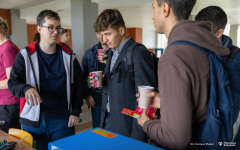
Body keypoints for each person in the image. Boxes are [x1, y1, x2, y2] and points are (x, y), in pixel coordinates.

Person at [137, 0, 230, 149]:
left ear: (165, 8)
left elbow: (177, 138)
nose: (152, 17)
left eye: (154, 8)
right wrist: (165, 102)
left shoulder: (173, 56)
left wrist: (147, 124)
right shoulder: (203, 45)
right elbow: (199, 100)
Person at [8, 10, 87, 150]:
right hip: (33, 122)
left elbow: (80, 85)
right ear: (39, 29)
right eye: (50, 27)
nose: (55, 32)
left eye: (58, 28)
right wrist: (26, 88)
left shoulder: (69, 57)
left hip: (63, 121)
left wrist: (75, 111)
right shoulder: (25, 55)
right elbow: (13, 83)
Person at [91, 9, 156, 142]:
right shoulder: (112, 52)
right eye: (102, 35)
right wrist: (104, 82)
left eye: (108, 34)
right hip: (109, 121)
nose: (104, 39)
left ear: (121, 31)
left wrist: (137, 136)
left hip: (129, 126)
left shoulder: (138, 53)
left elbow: (146, 99)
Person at [195, 5, 240, 146]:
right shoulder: (199, 55)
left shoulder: (236, 58)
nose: (199, 39)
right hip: (203, 129)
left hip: (229, 131)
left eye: (204, 34)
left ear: (219, 32)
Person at [81, 30, 110, 128]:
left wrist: (109, 60)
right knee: (98, 131)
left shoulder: (116, 52)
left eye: (105, 33)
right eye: (98, 33)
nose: (101, 36)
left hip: (113, 100)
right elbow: (81, 76)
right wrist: (87, 94)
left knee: (115, 134)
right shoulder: (90, 53)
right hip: (97, 100)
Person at [0, 17, 20, 133]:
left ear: (1, 28)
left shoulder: (8, 48)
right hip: (3, 103)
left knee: (7, 141)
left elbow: (12, 81)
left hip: (9, 104)